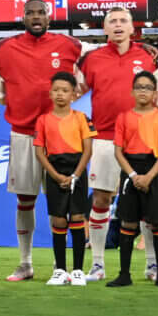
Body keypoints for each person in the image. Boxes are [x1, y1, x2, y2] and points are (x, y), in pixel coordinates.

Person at [0, 0, 87, 283]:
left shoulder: (70, 45)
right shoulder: (3, 49)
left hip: (62, 134)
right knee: (26, 199)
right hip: (23, 133)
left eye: (40, 12)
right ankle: (25, 263)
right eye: (30, 13)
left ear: (49, 16)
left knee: (64, 202)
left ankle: (68, 265)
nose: (35, 17)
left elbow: (93, 65)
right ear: (23, 17)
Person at [76, 7, 156, 276]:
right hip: (104, 138)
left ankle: (152, 265)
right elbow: (73, 90)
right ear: (105, 29)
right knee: (100, 198)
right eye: (113, 22)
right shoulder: (92, 59)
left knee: (146, 202)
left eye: (124, 21)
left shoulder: (148, 57)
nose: (119, 25)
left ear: (134, 28)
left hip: (142, 139)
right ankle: (97, 264)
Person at [107, 70, 158, 287]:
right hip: (131, 169)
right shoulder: (124, 118)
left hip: (154, 169)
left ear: (155, 93)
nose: (143, 91)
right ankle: (124, 274)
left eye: (148, 88)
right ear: (132, 91)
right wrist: (134, 175)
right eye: (139, 87)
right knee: (128, 221)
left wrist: (150, 176)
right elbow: (118, 151)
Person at [30, 73, 94, 285]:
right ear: (50, 93)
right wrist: (55, 175)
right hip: (54, 171)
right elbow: (40, 151)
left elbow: (87, 150)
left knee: (77, 217)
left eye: (65, 90)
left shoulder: (81, 118)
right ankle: (59, 269)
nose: (60, 94)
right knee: (58, 219)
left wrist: (76, 174)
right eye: (56, 90)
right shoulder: (43, 120)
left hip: (77, 170)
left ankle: (77, 270)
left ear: (74, 94)